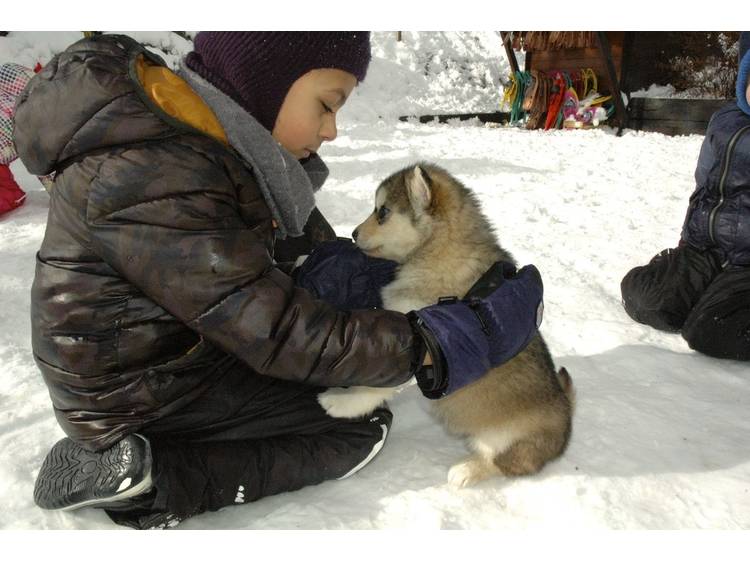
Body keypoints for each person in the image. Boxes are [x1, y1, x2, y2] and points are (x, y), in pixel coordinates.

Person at [15, 32, 545, 529]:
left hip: (170, 353)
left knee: (343, 358)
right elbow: (276, 330)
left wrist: (421, 277)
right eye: (327, 103)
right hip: (136, 392)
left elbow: (304, 260)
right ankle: (154, 477)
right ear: (264, 80)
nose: (332, 128)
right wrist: (430, 346)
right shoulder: (160, 173)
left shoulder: (207, 147)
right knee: (355, 423)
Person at [620, 32, 750, 361]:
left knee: (707, 330)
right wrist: (685, 245)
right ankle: (696, 285)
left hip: (746, 264)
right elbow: (703, 186)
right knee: (646, 300)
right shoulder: (724, 121)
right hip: (703, 249)